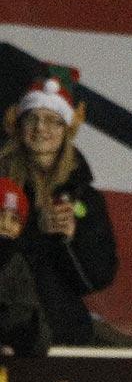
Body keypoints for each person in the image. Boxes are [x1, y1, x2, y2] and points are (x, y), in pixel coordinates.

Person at [0, 65, 118, 346]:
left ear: (67, 129)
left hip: (62, 335)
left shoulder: (85, 198)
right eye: (33, 119)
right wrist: (33, 231)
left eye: (52, 120)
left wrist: (70, 239)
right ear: (19, 124)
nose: (41, 129)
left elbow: (96, 279)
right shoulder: (3, 183)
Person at [0, 177, 51, 355]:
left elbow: (29, 310)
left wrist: (18, 342)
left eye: (14, 219)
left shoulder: (18, 261)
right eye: (0, 215)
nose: (6, 225)